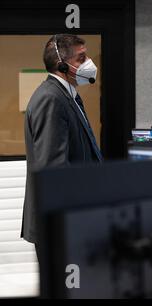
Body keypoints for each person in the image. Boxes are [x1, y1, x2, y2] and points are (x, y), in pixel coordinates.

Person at [21, 34, 102, 251]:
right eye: (81, 58)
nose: (89, 64)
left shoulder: (68, 96)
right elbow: (53, 170)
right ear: (61, 66)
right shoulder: (51, 99)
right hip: (61, 226)